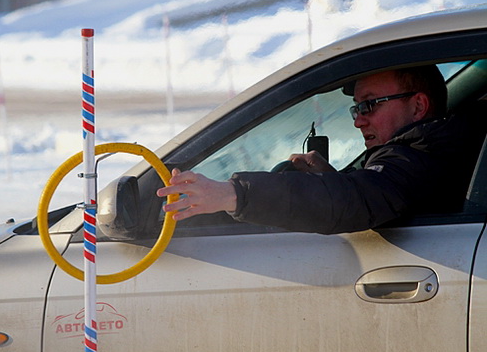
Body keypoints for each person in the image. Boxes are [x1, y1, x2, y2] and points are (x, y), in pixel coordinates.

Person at [157, 65, 483, 234]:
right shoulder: (439, 147)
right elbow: (377, 190)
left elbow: (360, 201)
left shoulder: (423, 157)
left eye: (369, 105)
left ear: (419, 106)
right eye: (357, 109)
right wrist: (331, 180)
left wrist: (233, 194)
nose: (359, 122)